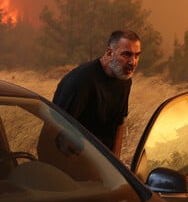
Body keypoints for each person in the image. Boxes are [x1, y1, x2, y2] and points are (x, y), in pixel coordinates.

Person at [52, 30, 141, 159]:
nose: (133, 62)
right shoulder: (81, 80)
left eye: (137, 55)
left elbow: (119, 122)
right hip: (73, 162)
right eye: (126, 55)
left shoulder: (124, 80)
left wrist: (116, 163)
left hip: (104, 165)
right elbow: (56, 129)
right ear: (109, 53)